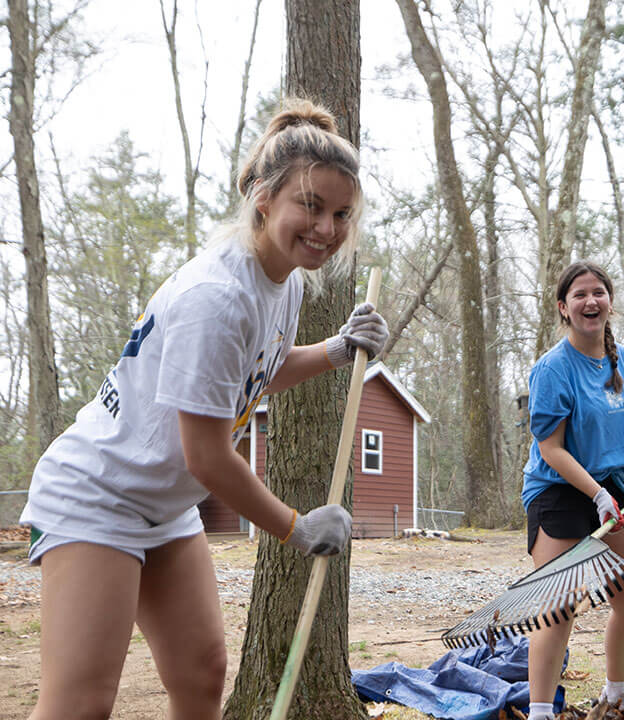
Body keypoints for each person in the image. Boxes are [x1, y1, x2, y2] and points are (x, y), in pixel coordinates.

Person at [18, 98, 388, 720]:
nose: (327, 228)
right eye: (312, 206)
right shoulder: (217, 296)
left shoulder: (284, 282)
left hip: (163, 505)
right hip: (100, 493)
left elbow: (248, 379)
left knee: (200, 672)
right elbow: (208, 456)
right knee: (79, 703)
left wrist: (334, 349)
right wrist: (296, 528)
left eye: (342, 214)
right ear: (264, 198)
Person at [520, 261, 624, 720]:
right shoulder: (552, 369)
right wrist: (595, 496)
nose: (591, 301)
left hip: (613, 485)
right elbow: (551, 450)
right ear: (563, 308)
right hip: (560, 488)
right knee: (558, 609)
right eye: (580, 295)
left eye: (599, 293)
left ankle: (617, 693)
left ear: (610, 301)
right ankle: (542, 712)